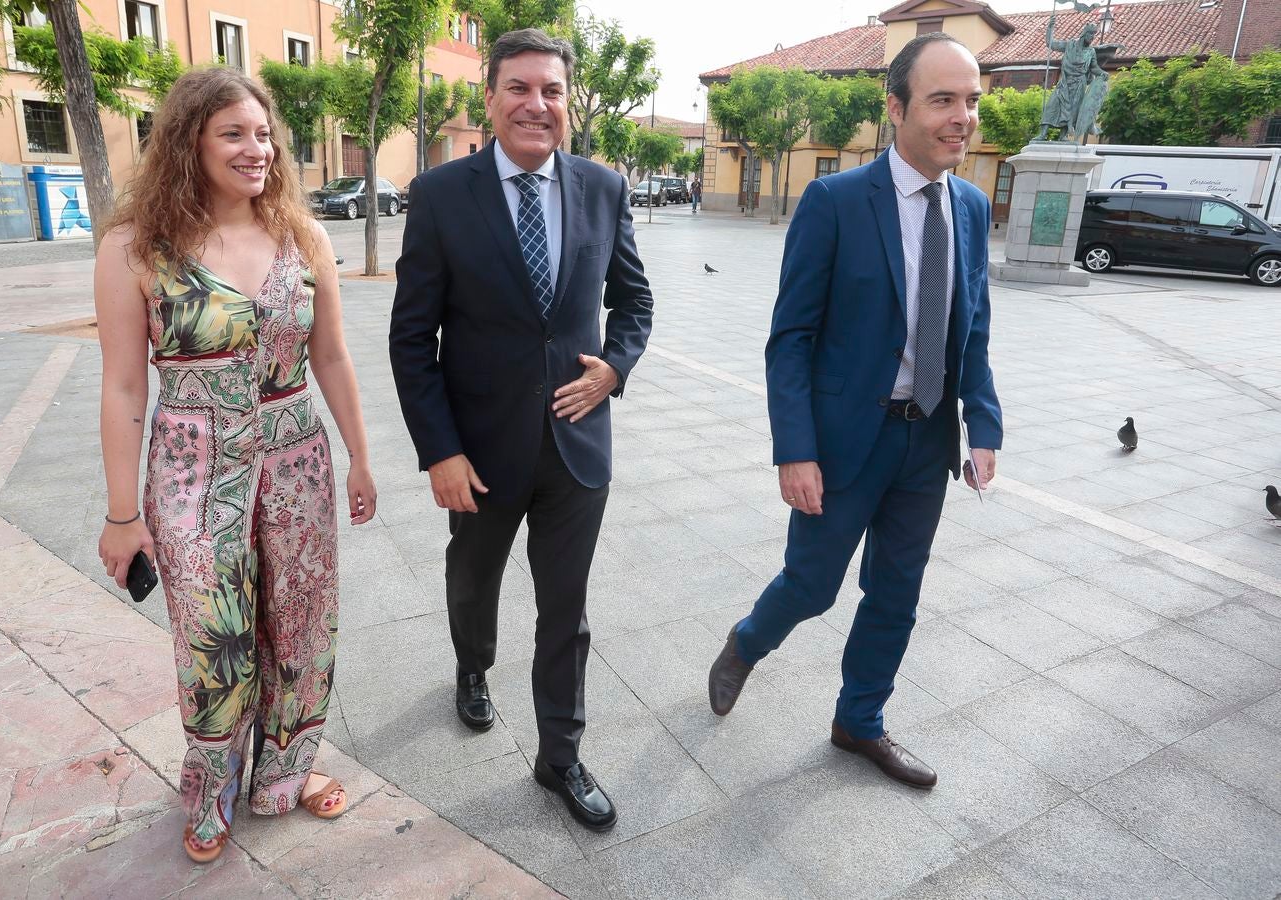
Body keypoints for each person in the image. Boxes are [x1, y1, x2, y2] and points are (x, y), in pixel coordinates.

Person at [95, 67, 376, 863]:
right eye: (233, 134)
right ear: (189, 141)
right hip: (191, 473)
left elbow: (332, 356)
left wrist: (359, 458)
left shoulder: (303, 236)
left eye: (263, 134)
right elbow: (121, 386)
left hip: (296, 462)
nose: (257, 150)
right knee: (211, 634)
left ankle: (286, 772)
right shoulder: (135, 247)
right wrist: (124, 513)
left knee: (301, 616)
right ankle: (211, 786)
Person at [706, 33, 1002, 788]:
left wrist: (984, 422)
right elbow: (791, 338)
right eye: (943, 100)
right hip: (841, 442)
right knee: (812, 584)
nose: (961, 117)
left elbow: (972, 325)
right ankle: (747, 641)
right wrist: (794, 449)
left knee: (896, 594)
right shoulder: (835, 201)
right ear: (896, 107)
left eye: (970, 100)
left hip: (926, 441)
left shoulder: (968, 207)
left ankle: (858, 722)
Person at [389, 28, 653, 831]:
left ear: (567, 102)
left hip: (577, 448)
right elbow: (412, 338)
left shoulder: (604, 188)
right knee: (474, 582)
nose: (537, 104)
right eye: (519, 88)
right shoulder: (439, 195)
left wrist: (614, 366)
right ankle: (473, 669)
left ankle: (560, 756)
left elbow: (634, 302)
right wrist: (439, 449)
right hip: (479, 452)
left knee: (565, 607)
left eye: (551, 90)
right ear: (490, 98)